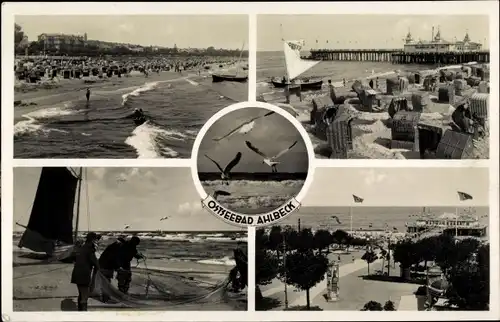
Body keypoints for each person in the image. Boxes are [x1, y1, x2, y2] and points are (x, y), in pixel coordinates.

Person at [71, 232, 100, 311]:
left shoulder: (81, 248)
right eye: (96, 239)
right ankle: (83, 315)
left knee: (81, 294)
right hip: (84, 275)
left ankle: (80, 312)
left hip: (76, 274)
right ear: (93, 240)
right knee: (84, 297)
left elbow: (74, 258)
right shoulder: (89, 249)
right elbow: (95, 263)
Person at [97, 237, 126, 303]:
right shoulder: (116, 249)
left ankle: (106, 298)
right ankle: (105, 299)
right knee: (106, 283)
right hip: (106, 268)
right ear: (121, 243)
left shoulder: (111, 247)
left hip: (102, 266)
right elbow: (113, 259)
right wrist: (117, 267)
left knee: (105, 283)